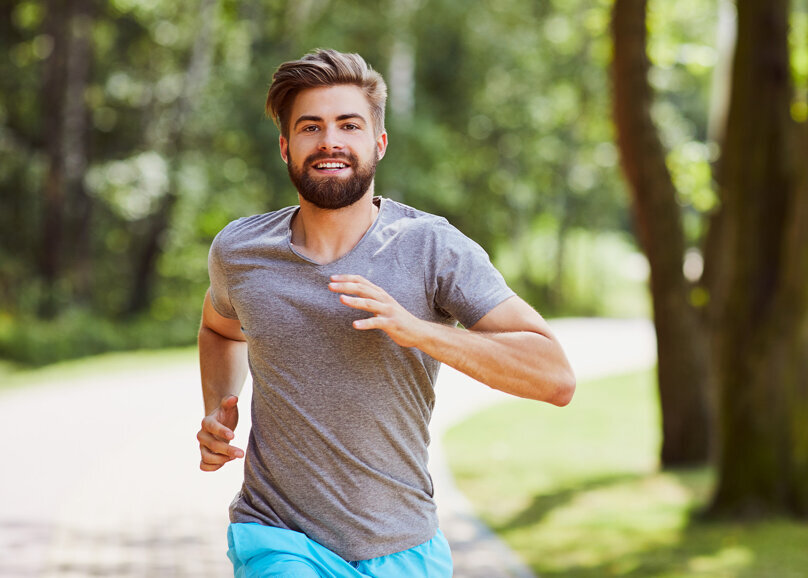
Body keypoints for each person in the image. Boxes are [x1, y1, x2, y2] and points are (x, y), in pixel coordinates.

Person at [195, 49, 576, 577]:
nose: (330, 141)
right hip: (277, 535)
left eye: (348, 125)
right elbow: (220, 328)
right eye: (311, 127)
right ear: (286, 147)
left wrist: (419, 331)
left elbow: (555, 376)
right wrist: (218, 407)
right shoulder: (240, 251)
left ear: (378, 143)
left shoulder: (431, 248)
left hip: (404, 547)